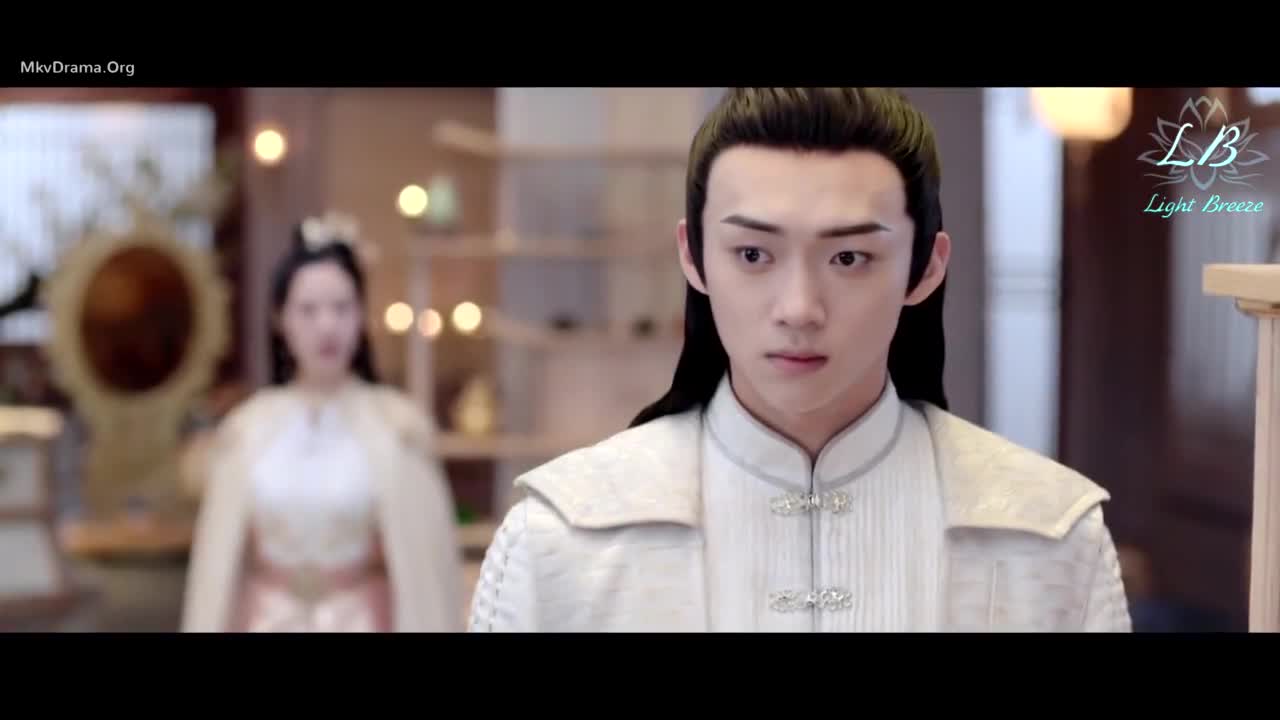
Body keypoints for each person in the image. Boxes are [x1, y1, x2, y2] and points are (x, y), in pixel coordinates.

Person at [467, 88, 1131, 632]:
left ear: (926, 268)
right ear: (693, 256)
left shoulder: (1047, 535)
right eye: (754, 254)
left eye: (849, 257)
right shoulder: (560, 538)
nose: (799, 308)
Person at [181, 212, 464, 632]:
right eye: (308, 310)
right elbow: (216, 573)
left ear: (361, 315)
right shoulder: (246, 430)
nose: (327, 325)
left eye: (341, 308)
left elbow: (426, 574)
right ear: (281, 320)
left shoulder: (398, 429)